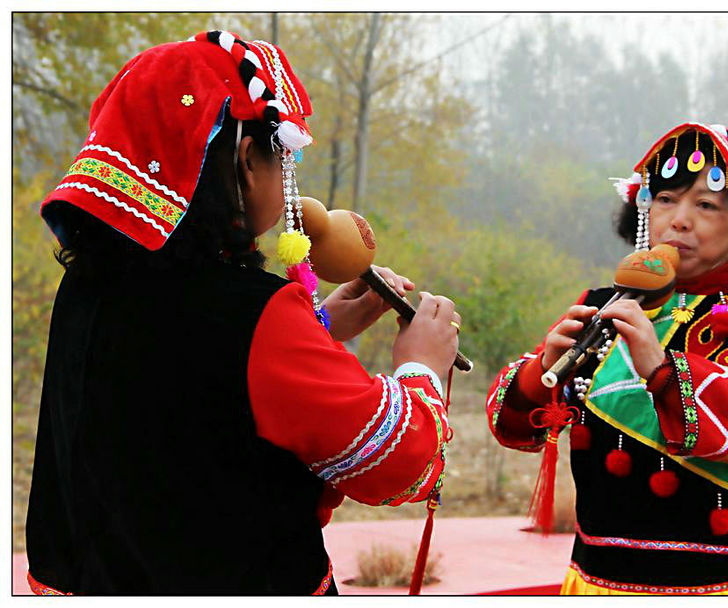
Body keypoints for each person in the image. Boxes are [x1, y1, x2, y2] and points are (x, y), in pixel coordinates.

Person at [26, 31, 459, 595]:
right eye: (285, 157)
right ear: (244, 160)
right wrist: (420, 367)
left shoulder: (84, 290)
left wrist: (319, 328)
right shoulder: (258, 316)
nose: (287, 179)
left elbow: (203, 396)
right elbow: (397, 464)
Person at [486, 123, 728, 595]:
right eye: (665, 199)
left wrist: (660, 368)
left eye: (705, 205)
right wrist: (542, 373)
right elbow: (516, 428)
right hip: (601, 578)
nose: (679, 220)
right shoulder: (604, 305)